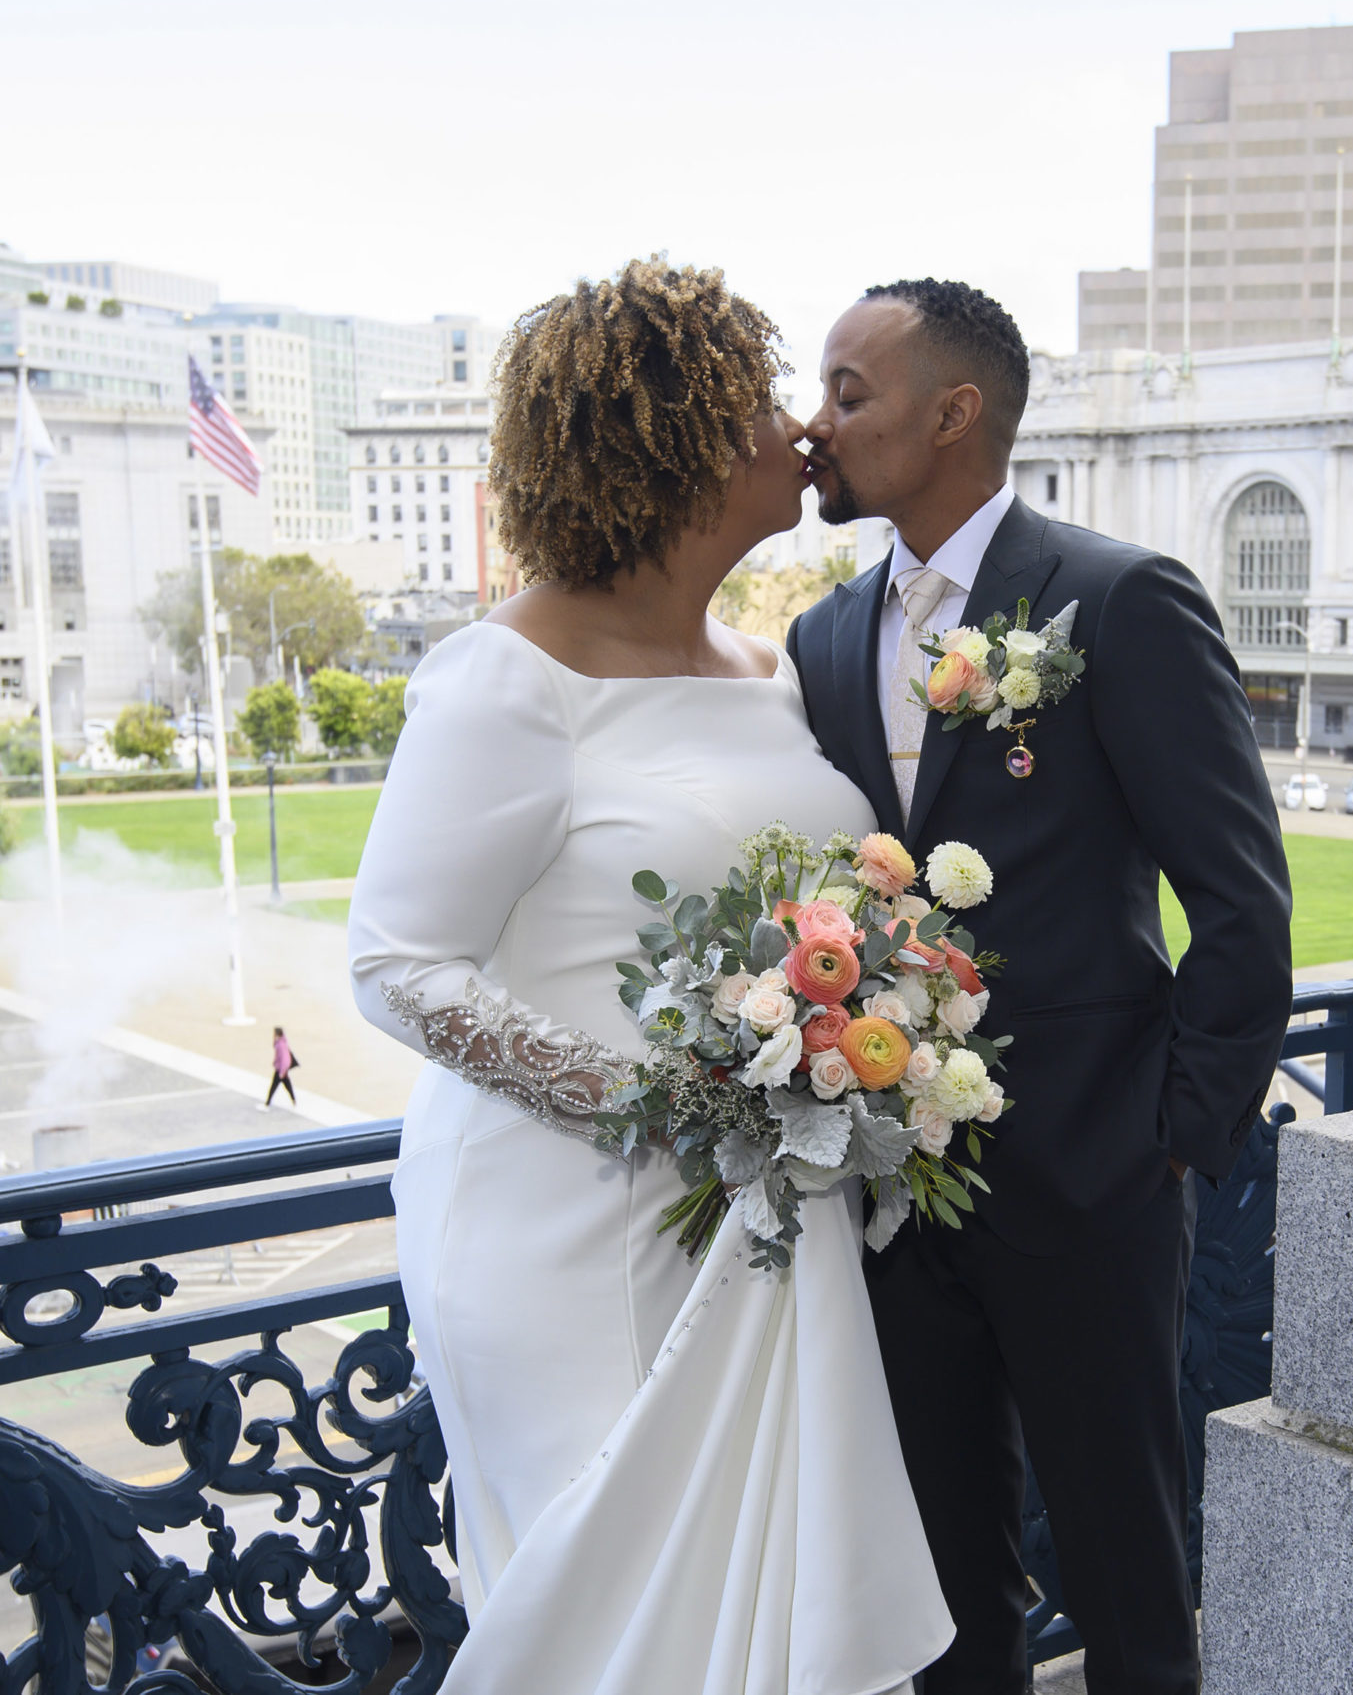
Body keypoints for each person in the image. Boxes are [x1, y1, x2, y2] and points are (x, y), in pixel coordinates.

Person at [347, 258, 948, 1694]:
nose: (801, 429)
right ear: (671, 442)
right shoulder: (508, 679)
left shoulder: (764, 667)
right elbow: (397, 966)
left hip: (759, 1217)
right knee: (612, 1618)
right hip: (565, 1224)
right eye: (758, 403)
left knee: (761, 1618)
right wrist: (670, 1106)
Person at [786, 279, 1292, 1695]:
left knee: (1126, 1574)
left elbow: (1242, 902)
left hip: (1091, 1181)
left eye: (846, 390)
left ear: (955, 414)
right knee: (943, 1587)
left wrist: (1167, 1137)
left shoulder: (1117, 600)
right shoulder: (825, 639)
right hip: (890, 1195)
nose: (813, 425)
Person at [261, 1027, 298, 1111]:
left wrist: (282, 1072)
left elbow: (285, 1059)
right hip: (282, 1069)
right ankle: (293, 1100)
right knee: (287, 1085)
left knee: (274, 1086)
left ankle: (267, 1103)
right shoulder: (281, 1042)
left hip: (281, 1070)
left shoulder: (281, 1045)